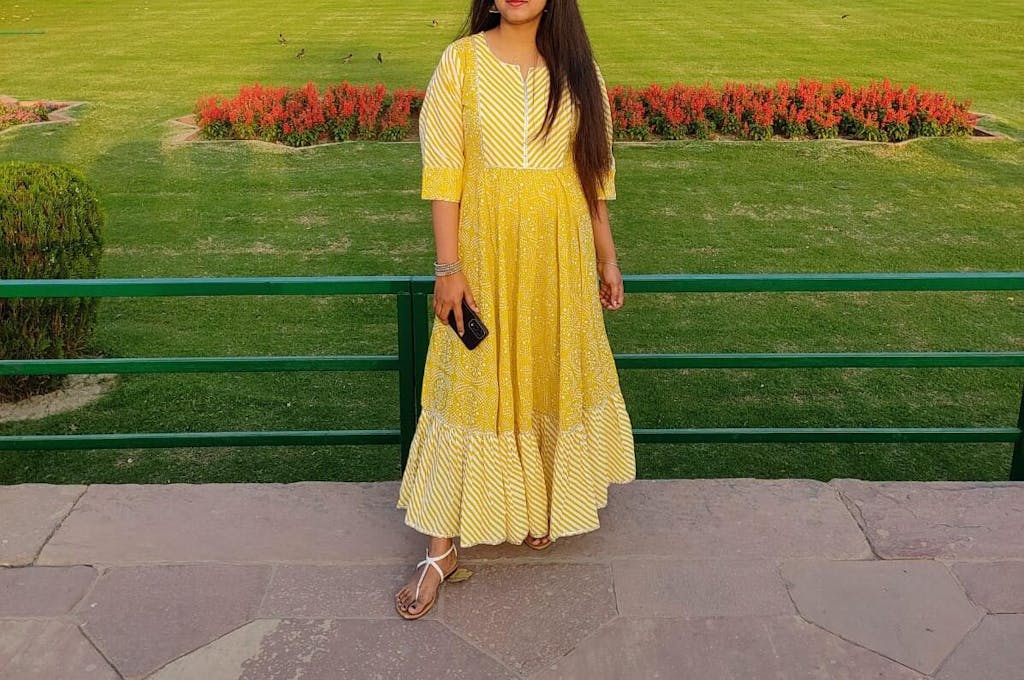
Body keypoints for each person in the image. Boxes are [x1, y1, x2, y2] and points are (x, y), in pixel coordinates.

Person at [395, 0, 636, 620]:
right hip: (485, 258)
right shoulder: (461, 63)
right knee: (467, 385)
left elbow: (592, 177)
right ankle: (439, 550)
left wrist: (608, 259)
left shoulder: (578, 70)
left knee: (547, 374)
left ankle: (539, 504)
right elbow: (444, 174)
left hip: (560, 258)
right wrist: (447, 269)